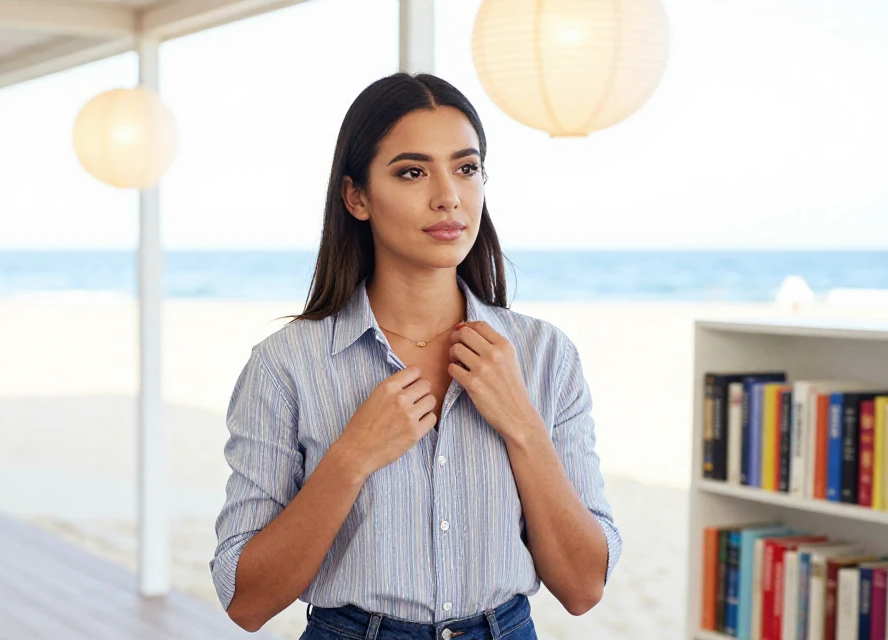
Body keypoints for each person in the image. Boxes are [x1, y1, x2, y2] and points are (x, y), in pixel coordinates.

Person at [209, 72, 621, 640]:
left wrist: (523, 426)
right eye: (412, 171)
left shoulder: (545, 356)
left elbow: (583, 588)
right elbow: (246, 601)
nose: (448, 195)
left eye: (466, 168)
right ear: (357, 197)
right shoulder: (285, 366)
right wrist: (351, 458)